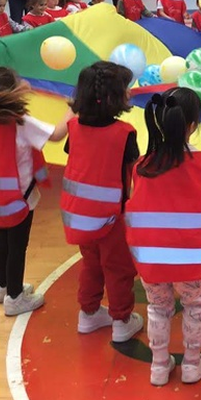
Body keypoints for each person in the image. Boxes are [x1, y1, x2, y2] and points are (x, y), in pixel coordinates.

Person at [125, 87, 201, 386]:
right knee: (194, 307)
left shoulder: (141, 166)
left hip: (151, 258)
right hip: (192, 256)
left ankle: (159, 365)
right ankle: (192, 364)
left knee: (157, 308)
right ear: (192, 125)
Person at [0, 67, 68, 315]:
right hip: (18, 197)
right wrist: (73, 110)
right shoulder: (21, 124)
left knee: (2, 241)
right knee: (17, 247)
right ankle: (15, 298)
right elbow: (57, 135)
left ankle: (1, 286)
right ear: (12, 94)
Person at [62, 62, 144, 341]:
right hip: (112, 218)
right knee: (118, 268)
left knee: (91, 263)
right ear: (114, 97)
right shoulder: (125, 133)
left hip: (78, 215)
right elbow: (132, 176)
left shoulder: (73, 127)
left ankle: (88, 314)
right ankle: (121, 321)